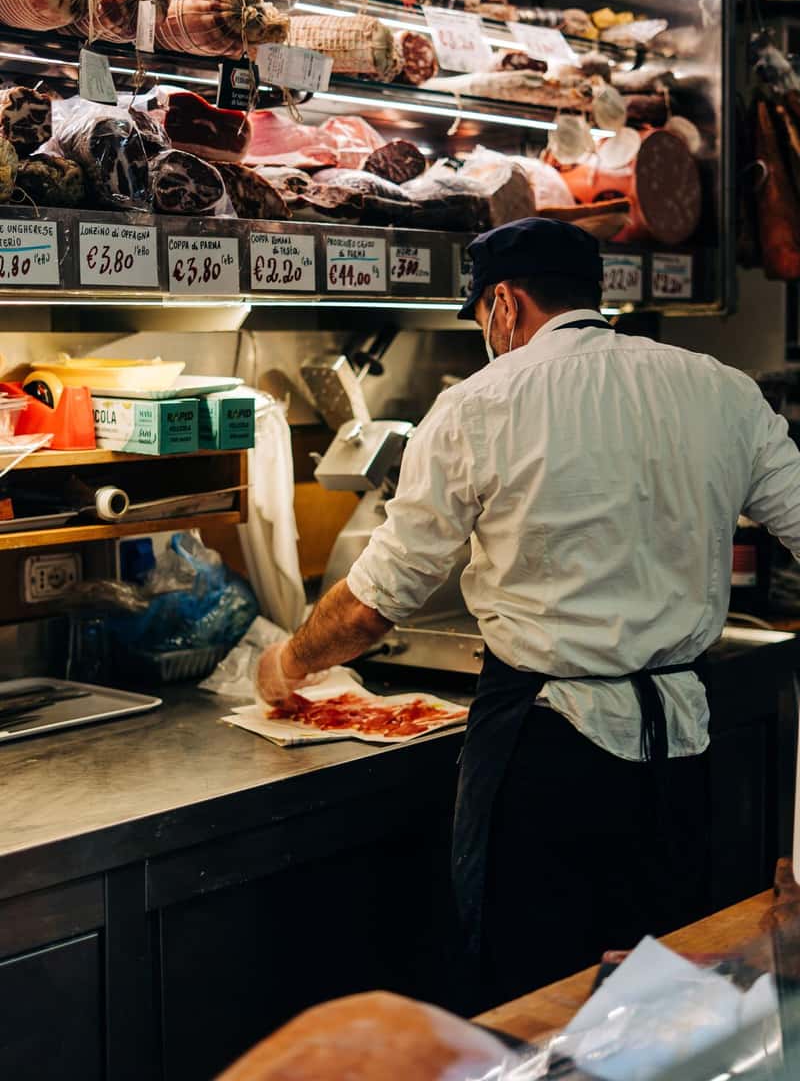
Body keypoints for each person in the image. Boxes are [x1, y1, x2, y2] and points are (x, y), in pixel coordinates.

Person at [257, 216, 800, 1007]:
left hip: (547, 753)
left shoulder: (478, 404)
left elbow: (375, 605)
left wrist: (289, 660)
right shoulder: (722, 389)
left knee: (536, 997)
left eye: (483, 316)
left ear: (506, 304)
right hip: (681, 745)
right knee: (659, 995)